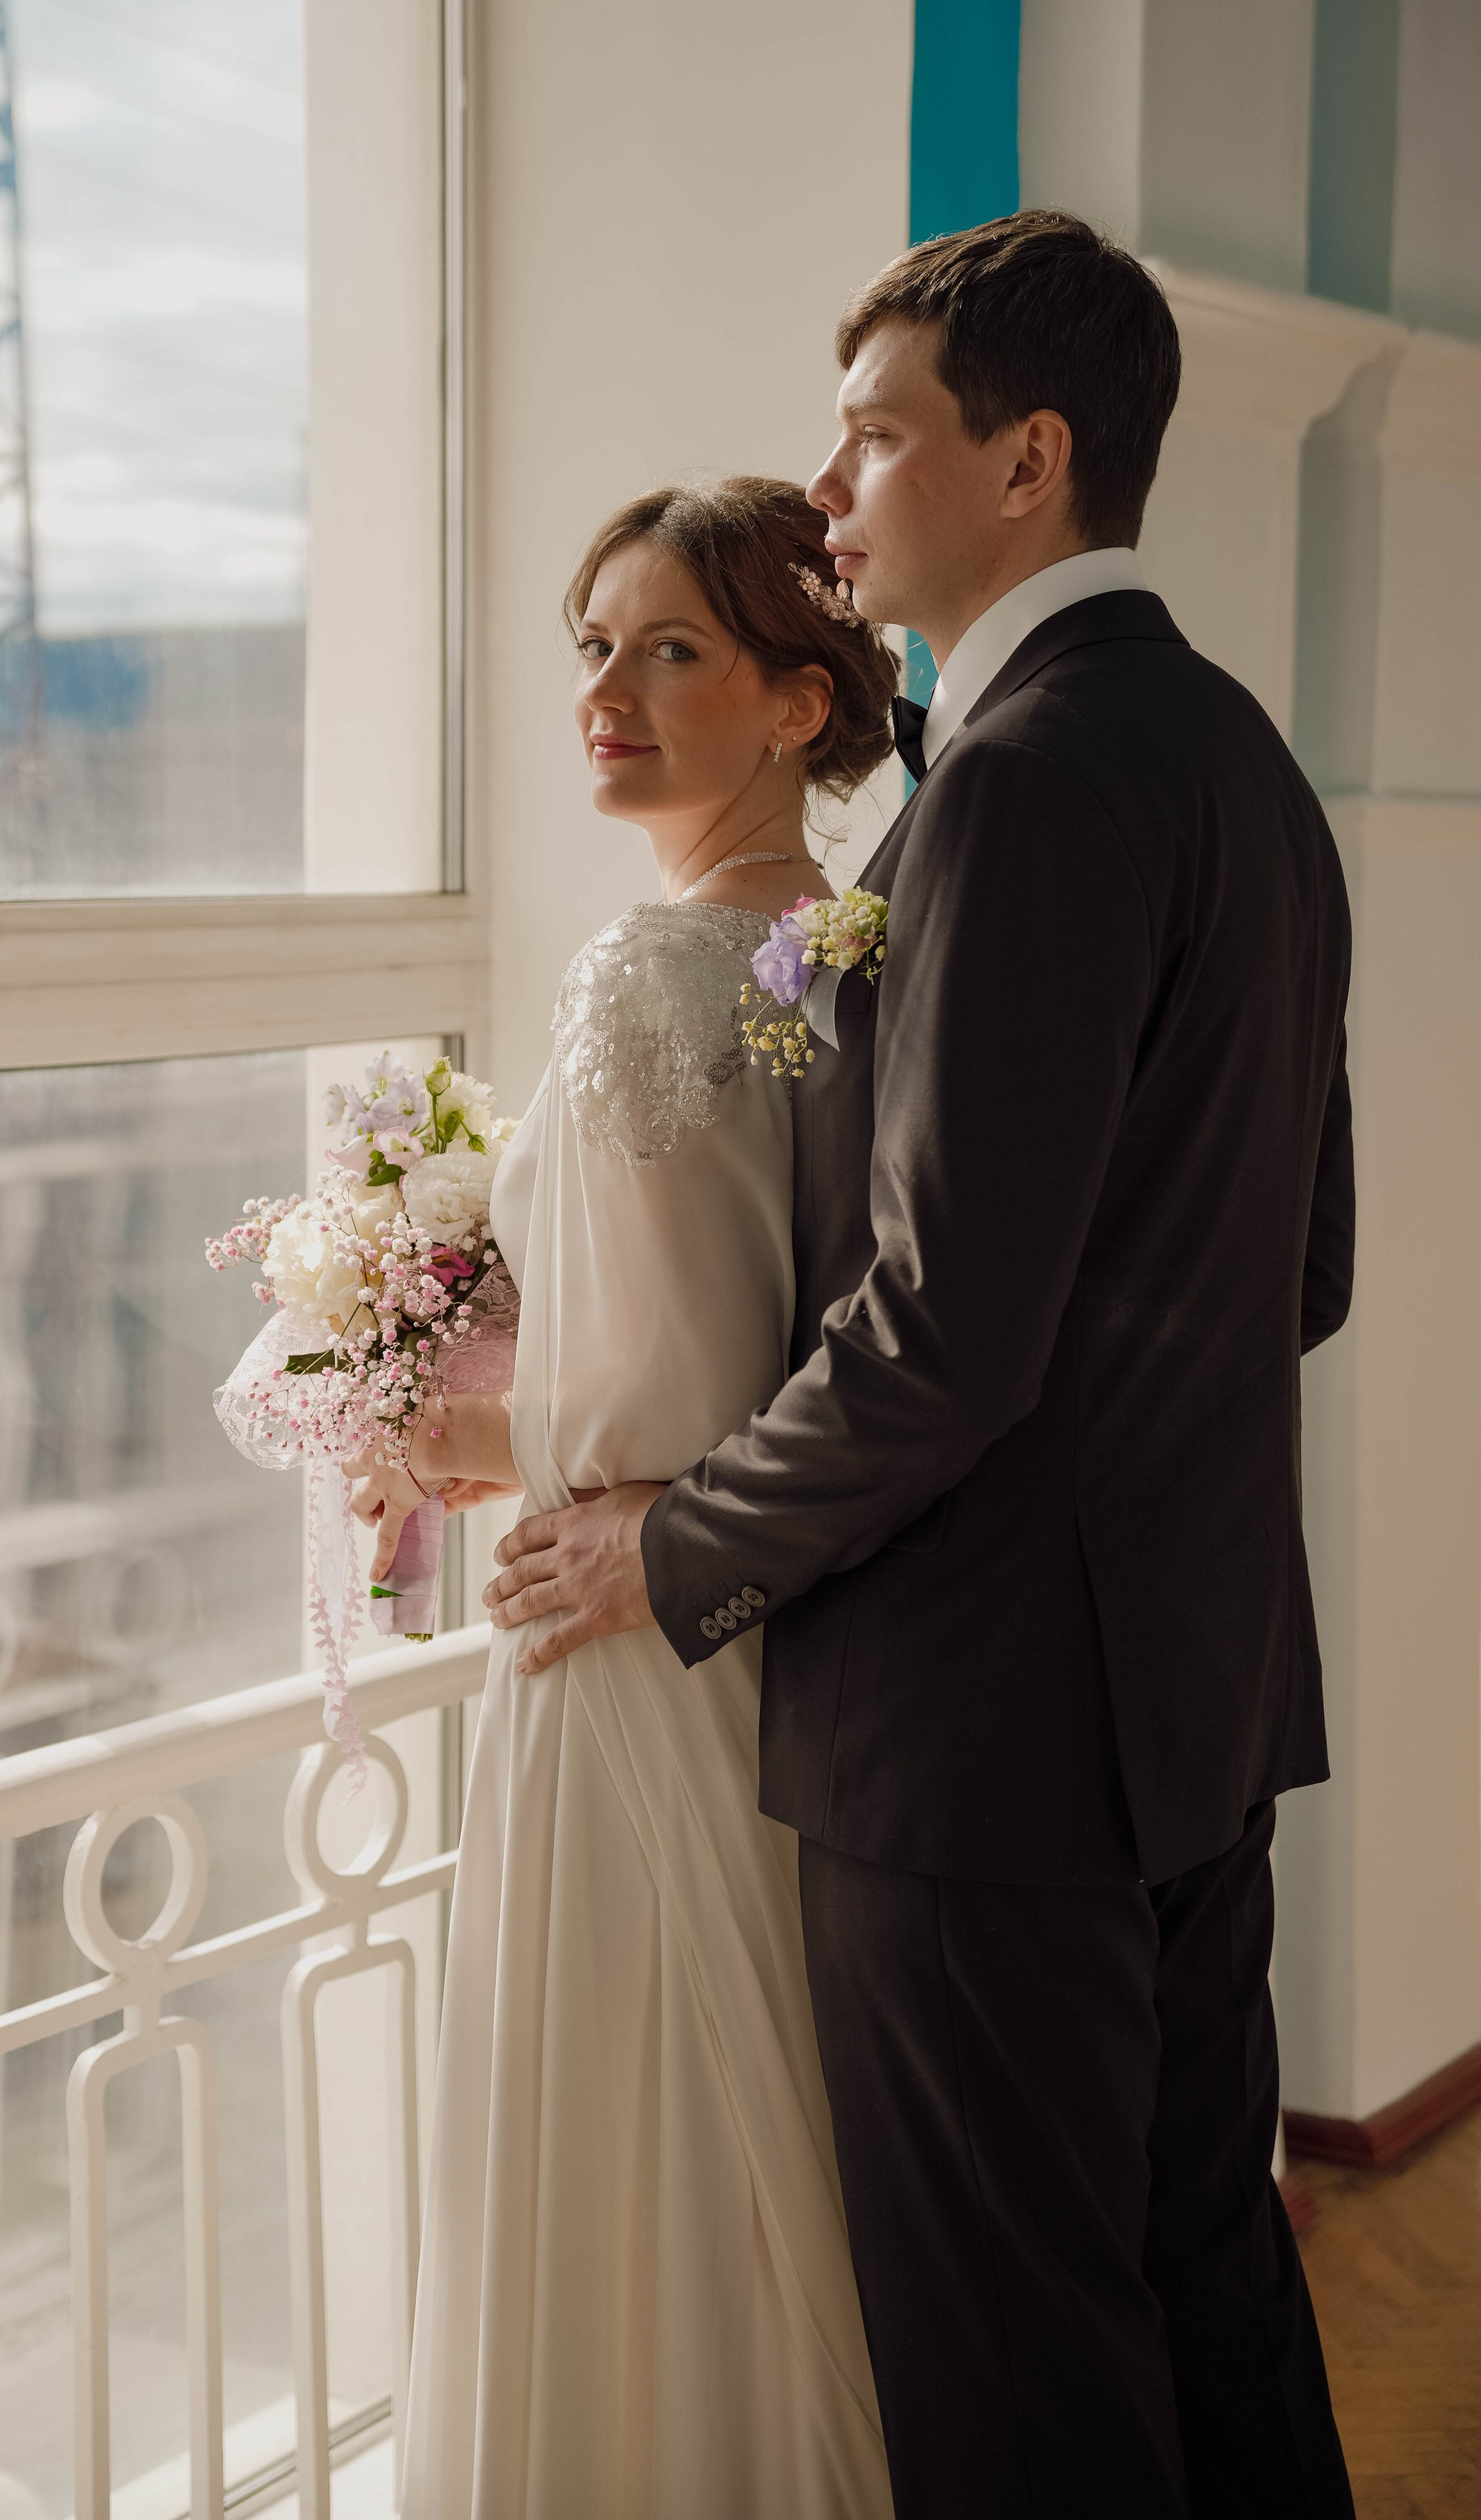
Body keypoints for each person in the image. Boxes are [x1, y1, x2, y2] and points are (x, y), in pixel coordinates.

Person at [486, 211, 1358, 2518]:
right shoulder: (1236, 757)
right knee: (1204, 2282)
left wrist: (678, 1546)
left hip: (986, 1744)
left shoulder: (1026, 780)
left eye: (875, 431)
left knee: (1021, 2372)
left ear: (1027, 458)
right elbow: (1309, 1261)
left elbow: (948, 1328)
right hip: (1192, 1692)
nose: (836, 480)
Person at [374, 478, 899, 2519]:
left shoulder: (657, 973)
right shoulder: (829, 934)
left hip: (625, 1629)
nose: (609, 689)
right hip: (777, 1625)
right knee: (740, 2117)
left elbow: (661, 1397)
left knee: (627, 2115)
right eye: (594, 645)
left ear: (796, 696)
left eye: (673, 648)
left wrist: (449, 1437)